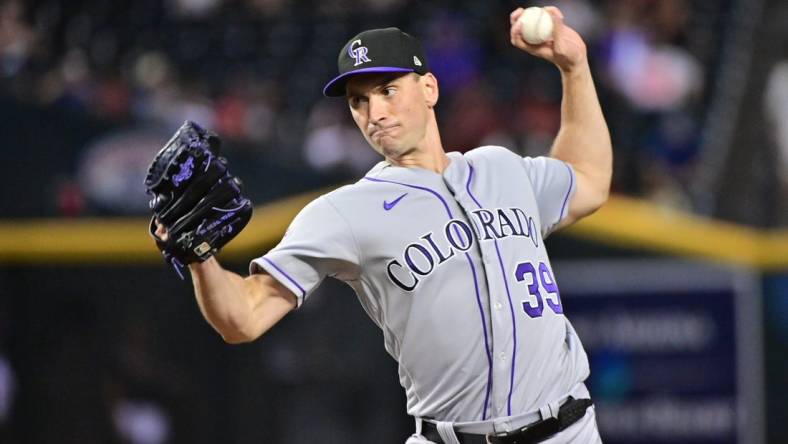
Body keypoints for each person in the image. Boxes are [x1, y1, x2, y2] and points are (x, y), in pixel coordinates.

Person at [179, 6, 611, 443]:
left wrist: (574, 67)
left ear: (429, 88)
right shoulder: (346, 211)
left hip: (568, 430)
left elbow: (589, 179)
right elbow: (245, 318)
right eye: (359, 101)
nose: (375, 112)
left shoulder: (501, 167)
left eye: (388, 89)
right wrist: (200, 259)